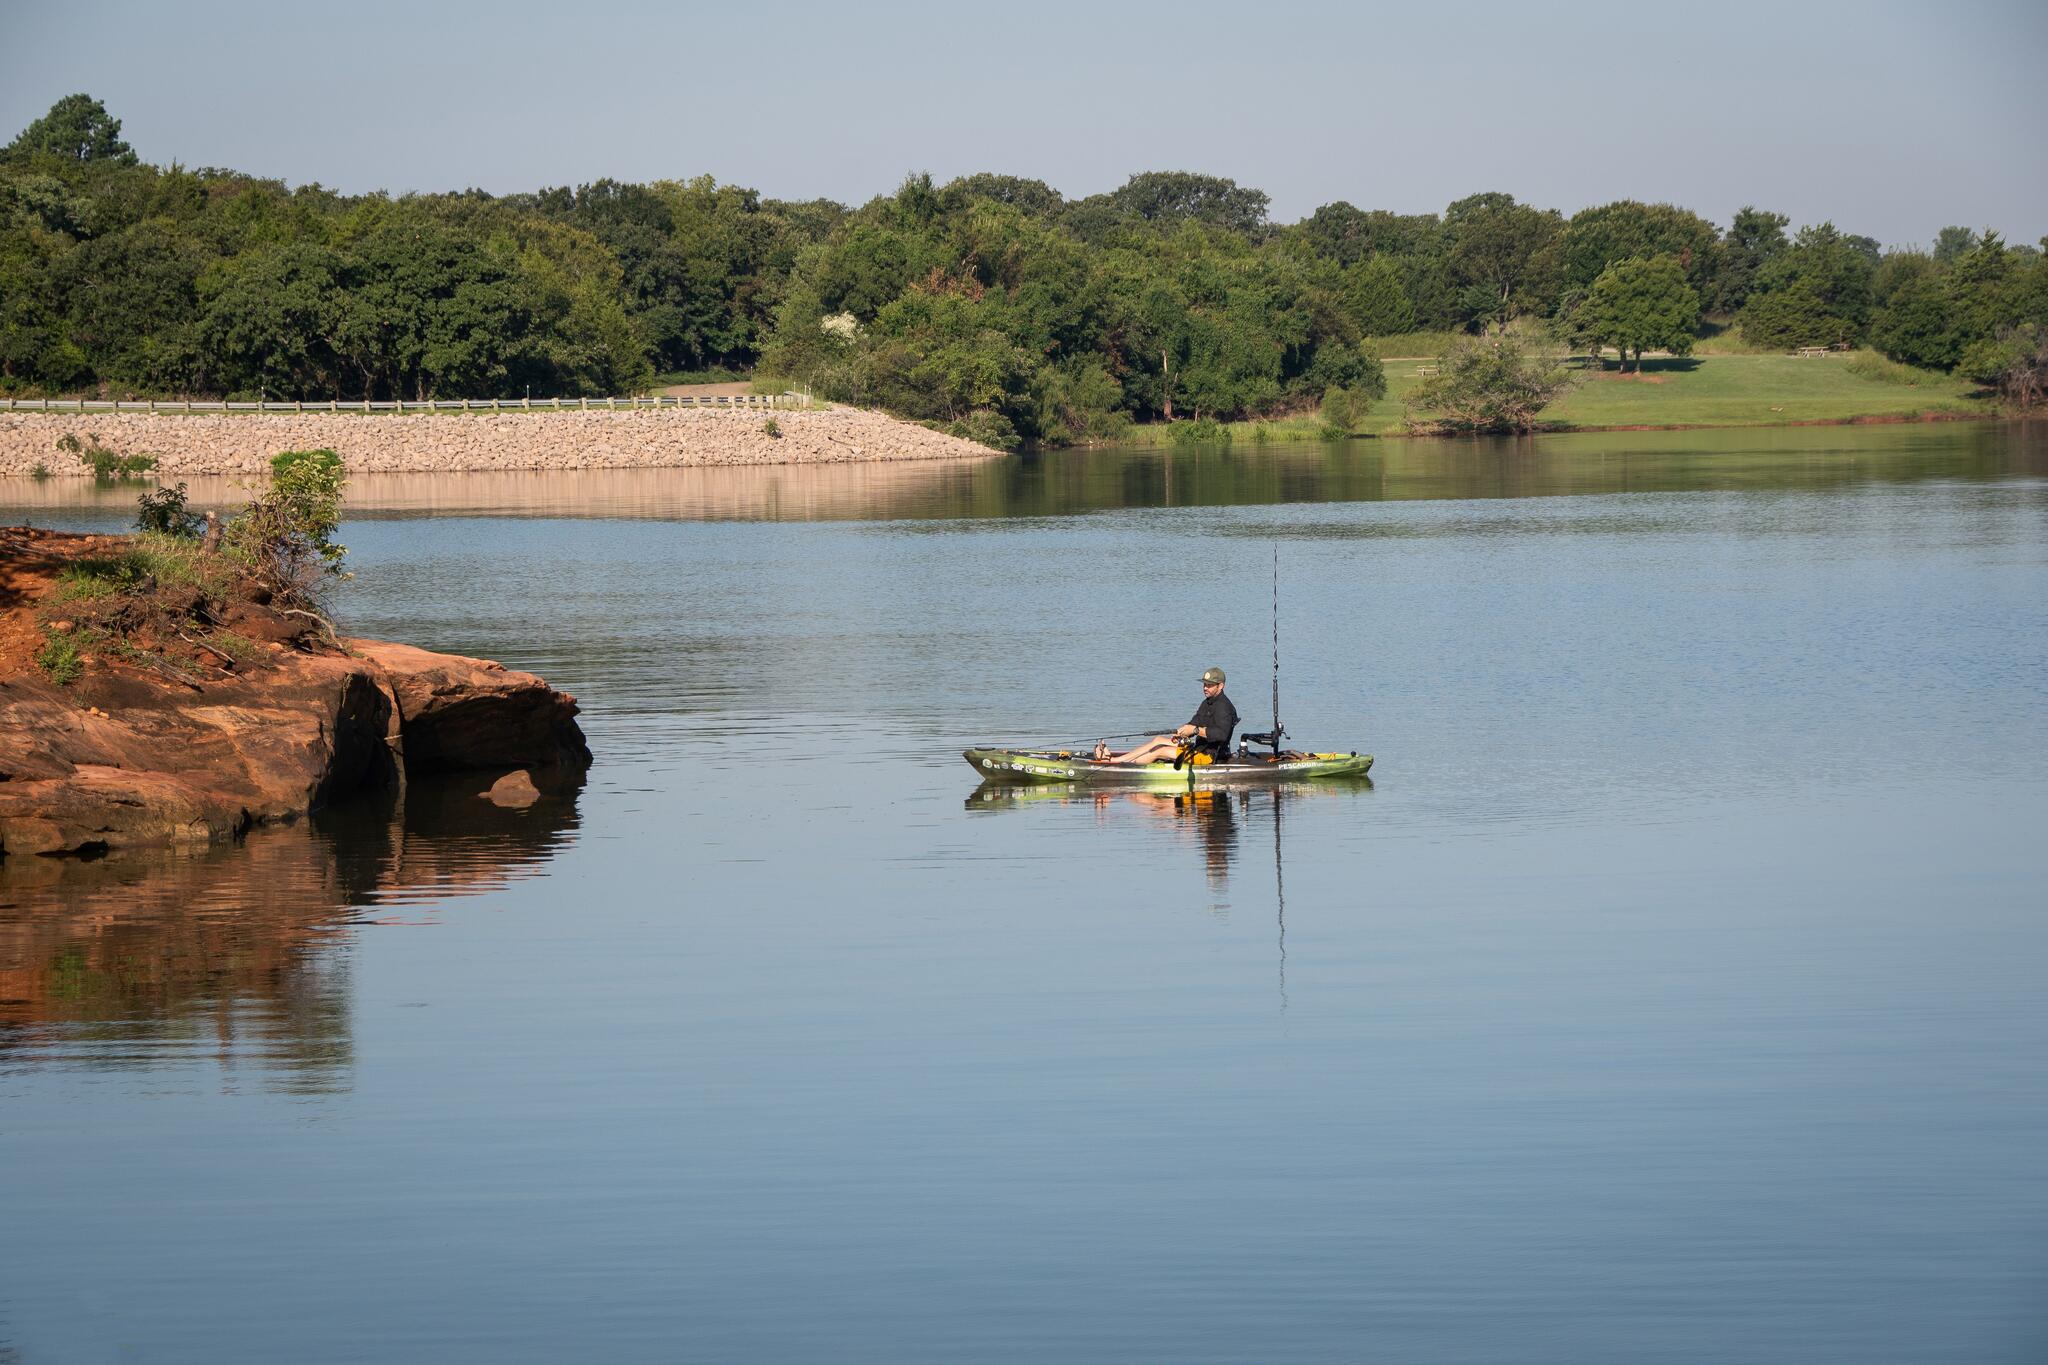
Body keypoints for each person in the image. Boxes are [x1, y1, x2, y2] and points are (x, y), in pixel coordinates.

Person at [1095, 668, 1238, 765]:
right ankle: (1114, 760)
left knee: (1160, 750)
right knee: (1158, 740)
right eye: (1205, 684)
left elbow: (1221, 734)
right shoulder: (1207, 703)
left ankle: (1116, 764)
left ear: (1220, 686)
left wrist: (1194, 731)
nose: (1205, 688)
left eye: (1210, 685)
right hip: (1198, 748)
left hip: (1209, 757)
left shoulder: (1224, 707)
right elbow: (1194, 722)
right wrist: (1182, 734)